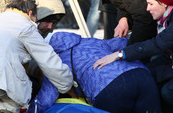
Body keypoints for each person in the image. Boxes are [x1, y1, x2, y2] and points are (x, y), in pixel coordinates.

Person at [26, 32, 162, 113]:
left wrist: (29, 110)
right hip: (142, 75)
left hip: (109, 88)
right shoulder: (91, 41)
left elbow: (46, 98)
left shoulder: (56, 61)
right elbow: (123, 42)